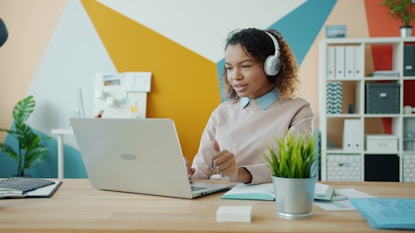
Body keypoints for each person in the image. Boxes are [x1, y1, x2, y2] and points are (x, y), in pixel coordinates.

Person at [187, 28, 314, 185]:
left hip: (271, 202)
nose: (235, 76)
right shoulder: (222, 112)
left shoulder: (298, 111)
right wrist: (186, 175)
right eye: (229, 68)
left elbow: (290, 170)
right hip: (222, 200)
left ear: (271, 66)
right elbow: (200, 172)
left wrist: (239, 173)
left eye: (245, 66)